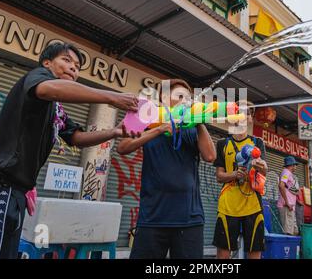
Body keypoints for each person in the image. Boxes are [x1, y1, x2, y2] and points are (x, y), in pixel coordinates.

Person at [0, 42, 139, 259]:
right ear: (47, 63)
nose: (73, 68)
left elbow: (77, 138)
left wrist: (115, 132)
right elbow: (47, 88)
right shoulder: (38, 77)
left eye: (77, 66)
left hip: (15, 190)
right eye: (66, 60)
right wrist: (112, 96)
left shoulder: (56, 108)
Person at [117, 79, 216, 259]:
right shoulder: (146, 118)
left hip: (189, 218)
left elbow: (210, 156)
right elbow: (123, 147)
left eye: (188, 98)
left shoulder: (193, 127)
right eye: (180, 96)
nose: (185, 101)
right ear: (163, 97)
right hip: (153, 215)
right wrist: (160, 129)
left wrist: (199, 120)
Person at [213, 101, 268, 259]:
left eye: (248, 113)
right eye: (239, 111)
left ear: (251, 119)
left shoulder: (257, 143)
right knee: (223, 251)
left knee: (254, 250)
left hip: (253, 205)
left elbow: (265, 170)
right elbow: (219, 176)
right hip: (228, 205)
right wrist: (235, 174)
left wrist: (259, 166)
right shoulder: (223, 144)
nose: (243, 115)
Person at [277, 156, 300, 235]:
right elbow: (281, 185)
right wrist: (287, 202)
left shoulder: (289, 174)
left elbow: (289, 188)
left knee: (294, 231)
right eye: (295, 165)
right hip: (286, 206)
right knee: (288, 232)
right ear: (292, 165)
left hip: (290, 207)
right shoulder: (286, 172)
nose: (296, 167)